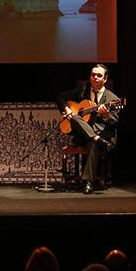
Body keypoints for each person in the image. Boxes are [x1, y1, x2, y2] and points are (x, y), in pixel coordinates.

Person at [56, 64, 121, 194]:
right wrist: (67, 109)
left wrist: (107, 115)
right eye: (93, 75)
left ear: (105, 79)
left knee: (93, 143)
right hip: (82, 136)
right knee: (73, 117)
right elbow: (60, 97)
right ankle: (95, 138)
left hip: (103, 135)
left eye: (99, 75)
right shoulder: (83, 90)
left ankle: (88, 182)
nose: (95, 78)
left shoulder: (113, 99)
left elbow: (115, 122)